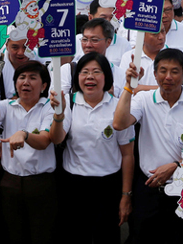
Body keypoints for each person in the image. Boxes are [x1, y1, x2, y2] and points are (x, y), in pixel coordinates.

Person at [113, 48, 183, 244]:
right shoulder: (144, 100)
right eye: (162, 70)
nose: (168, 77)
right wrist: (129, 87)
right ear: (154, 74)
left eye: (175, 71)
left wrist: (177, 165)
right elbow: (119, 123)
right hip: (148, 189)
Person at [50, 52, 134, 244]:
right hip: (73, 186)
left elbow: (127, 154)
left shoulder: (117, 107)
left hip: (108, 187)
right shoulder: (70, 103)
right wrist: (59, 114)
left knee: (106, 237)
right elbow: (56, 139)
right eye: (84, 72)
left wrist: (125, 195)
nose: (90, 77)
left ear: (107, 77)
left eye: (96, 71)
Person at [0, 59, 57, 244]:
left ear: (44, 85)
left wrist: (25, 135)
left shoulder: (50, 107)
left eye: (32, 78)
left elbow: (45, 140)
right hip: (10, 183)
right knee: (14, 236)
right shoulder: (7, 106)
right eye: (21, 77)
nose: (25, 82)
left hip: (41, 184)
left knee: (42, 236)